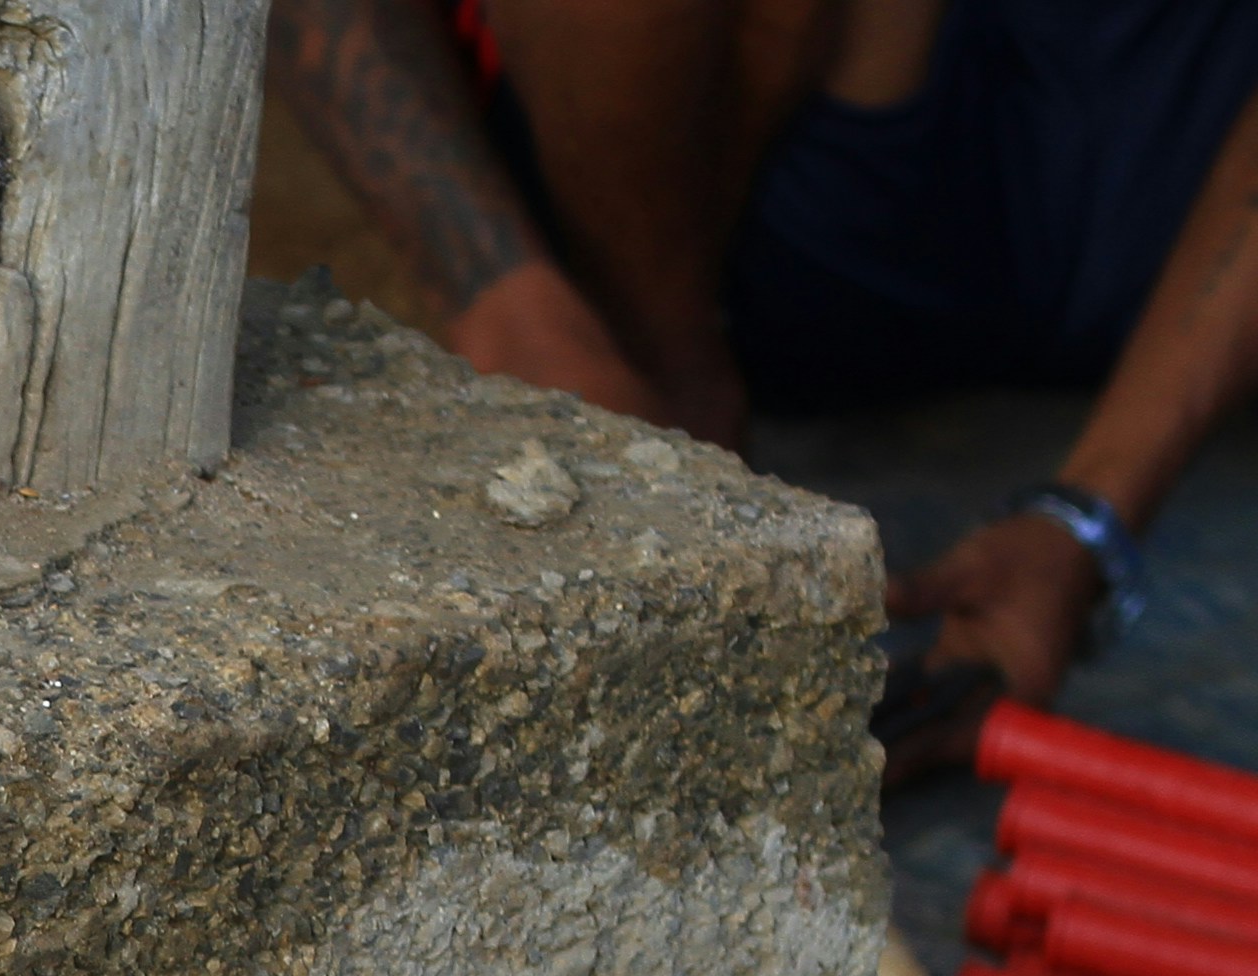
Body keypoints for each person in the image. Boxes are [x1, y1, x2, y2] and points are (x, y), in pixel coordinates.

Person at [267, 0, 1258, 761]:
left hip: (1171, 186)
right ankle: (658, 378)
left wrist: (1086, 521)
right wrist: (520, 318)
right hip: (761, 206)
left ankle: (655, 389)